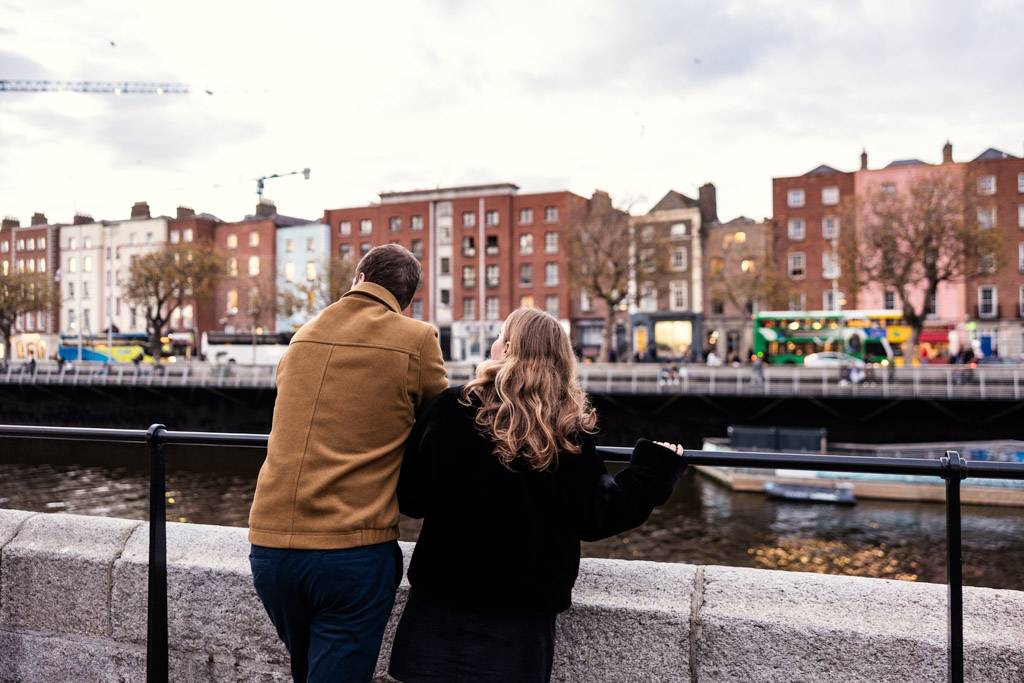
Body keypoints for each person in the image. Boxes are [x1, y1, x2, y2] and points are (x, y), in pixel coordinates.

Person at [388, 307, 687, 683]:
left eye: (498, 337)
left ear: (508, 348)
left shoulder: (452, 406)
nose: (493, 344)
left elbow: (412, 499)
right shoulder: (566, 428)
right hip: (520, 620)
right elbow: (598, 515)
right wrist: (653, 470)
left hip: (440, 605)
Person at [248, 244, 448, 683]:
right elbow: (445, 424)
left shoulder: (302, 337)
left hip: (269, 550)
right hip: (349, 552)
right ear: (407, 298)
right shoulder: (416, 338)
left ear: (358, 278)